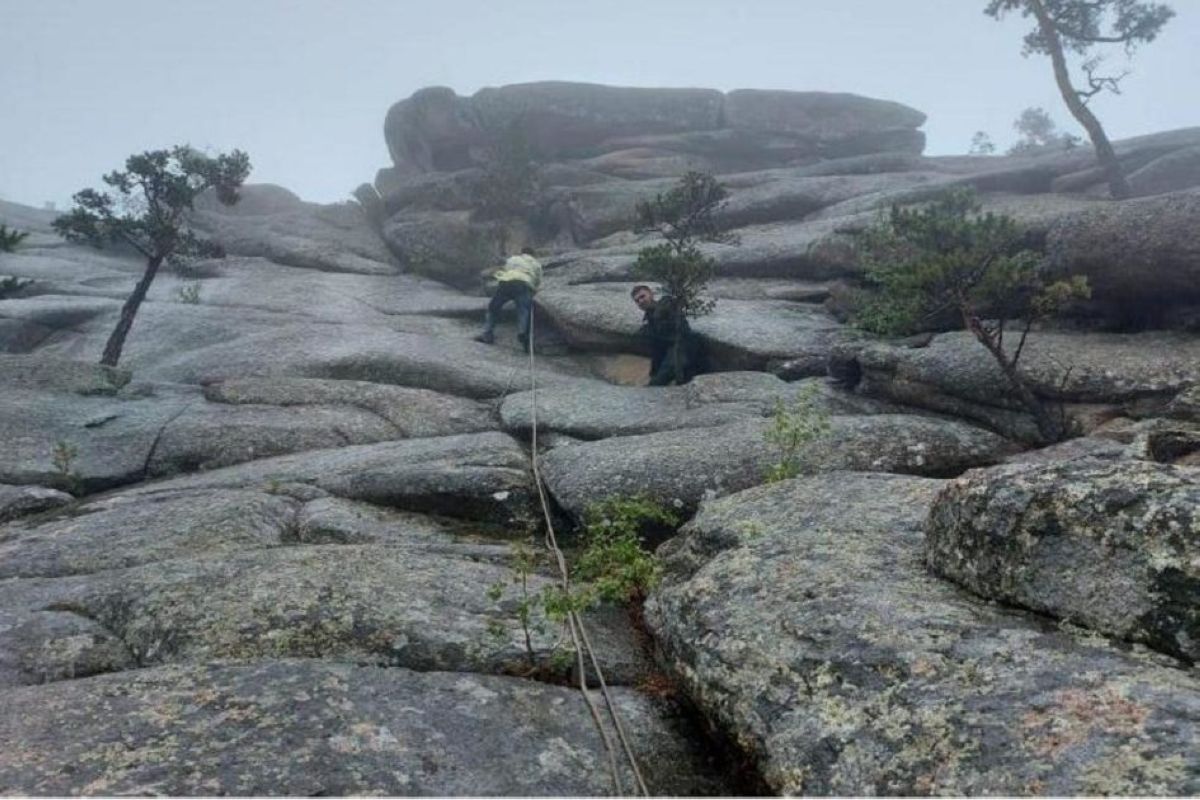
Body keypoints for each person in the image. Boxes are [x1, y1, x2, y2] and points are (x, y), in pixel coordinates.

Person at [630, 284, 702, 386]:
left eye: (642, 296)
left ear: (651, 294)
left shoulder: (665, 303)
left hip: (682, 349)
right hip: (671, 354)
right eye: (637, 301)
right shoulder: (649, 321)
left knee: (657, 384)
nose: (641, 301)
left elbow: (673, 307)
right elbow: (657, 349)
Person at [475, 248, 543, 351]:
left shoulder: (513, 258)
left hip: (506, 282)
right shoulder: (536, 264)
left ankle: (487, 334)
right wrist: (533, 289)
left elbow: (506, 268)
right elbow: (538, 281)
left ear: (522, 253)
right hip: (523, 284)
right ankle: (522, 333)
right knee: (523, 310)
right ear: (533, 254)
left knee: (493, 307)